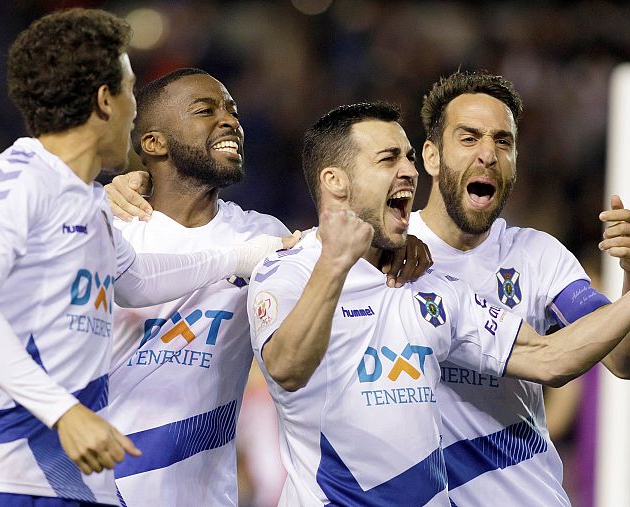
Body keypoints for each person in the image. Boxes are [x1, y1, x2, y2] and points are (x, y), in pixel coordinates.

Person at [246, 101, 630, 506]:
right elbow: (286, 368)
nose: (408, 170)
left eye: (504, 141)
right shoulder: (293, 268)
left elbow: (562, 358)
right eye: (388, 159)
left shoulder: (441, 279)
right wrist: (335, 262)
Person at [0, 12, 291, 507]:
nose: (133, 110)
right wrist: (64, 412)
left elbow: (136, 281)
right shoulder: (13, 182)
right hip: (4, 476)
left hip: (74, 481)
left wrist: (239, 255)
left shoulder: (89, 205)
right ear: (105, 100)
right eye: (128, 90)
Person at [102, 68, 430, 506]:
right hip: (98, 487)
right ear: (155, 144)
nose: (229, 120)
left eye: (232, 110)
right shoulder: (108, 227)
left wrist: (401, 244)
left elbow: (345, 253)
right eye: (206, 110)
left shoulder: (264, 236)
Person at [414, 70, 630, 506]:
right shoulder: (387, 259)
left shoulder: (537, 256)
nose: (488, 154)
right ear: (432, 157)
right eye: (469, 138)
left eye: (503, 141)